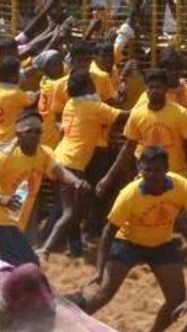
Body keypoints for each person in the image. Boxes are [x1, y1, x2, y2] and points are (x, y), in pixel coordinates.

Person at [74, 146, 187, 332]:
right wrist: (100, 269)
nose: (152, 175)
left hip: (162, 244)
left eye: (157, 170)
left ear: (167, 168)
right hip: (128, 243)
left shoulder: (182, 186)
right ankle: (74, 325)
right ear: (139, 168)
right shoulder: (130, 194)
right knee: (104, 293)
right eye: (147, 170)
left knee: (177, 299)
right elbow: (109, 231)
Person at [0, 111, 88, 266]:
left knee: (9, 263)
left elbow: (59, 171)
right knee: (29, 263)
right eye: (29, 131)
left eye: (38, 131)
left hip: (19, 222)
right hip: (1, 220)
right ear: (19, 135)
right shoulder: (6, 157)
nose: (34, 135)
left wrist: (76, 182)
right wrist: (1, 199)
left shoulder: (43, 153)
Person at [40, 70, 128, 258]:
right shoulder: (94, 108)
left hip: (58, 159)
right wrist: (145, 106)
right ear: (88, 86)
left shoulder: (71, 104)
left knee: (70, 208)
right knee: (71, 212)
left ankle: (74, 247)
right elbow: (122, 117)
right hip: (72, 164)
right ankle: (46, 248)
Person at [98, 69, 187, 196]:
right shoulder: (137, 114)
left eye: (158, 87)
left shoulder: (180, 113)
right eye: (151, 87)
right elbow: (127, 149)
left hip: (175, 178)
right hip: (146, 179)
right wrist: (108, 177)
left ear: (166, 89)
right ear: (146, 89)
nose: (154, 90)